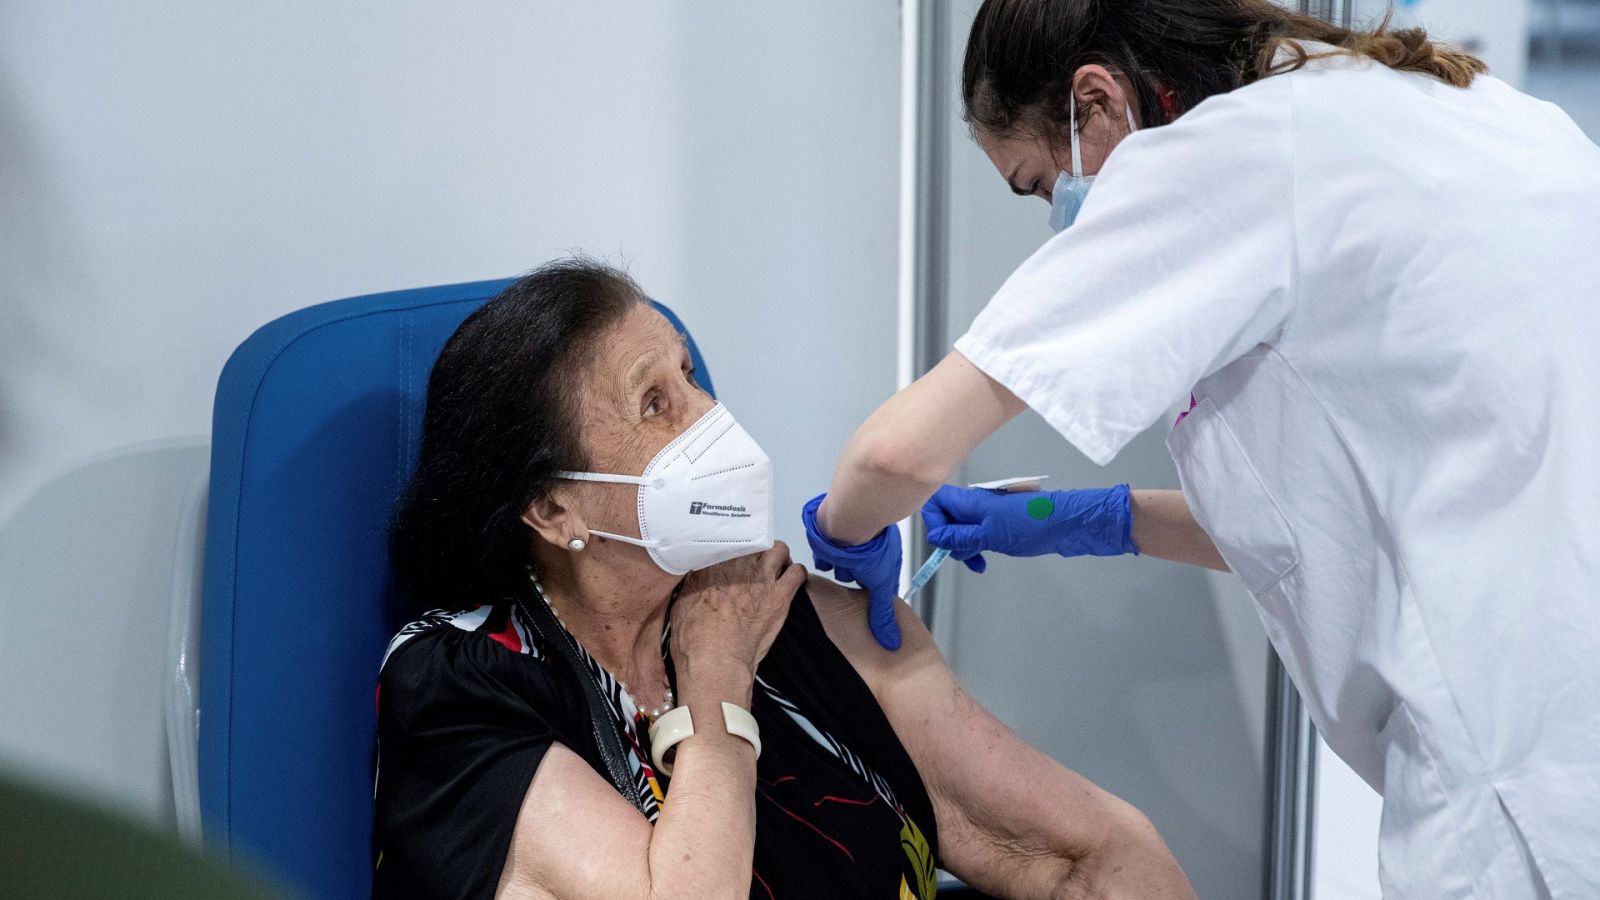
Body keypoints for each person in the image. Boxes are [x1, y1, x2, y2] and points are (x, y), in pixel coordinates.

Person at [802, 1, 1600, 896]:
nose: (1054, 217)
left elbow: (893, 458)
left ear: (1096, 103)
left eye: (1037, 185)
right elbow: (1363, 517)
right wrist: (1100, 522)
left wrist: (846, 543)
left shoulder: (1228, 159)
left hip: (1517, 774)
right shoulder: (1454, 109)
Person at [371, 259, 1196, 900]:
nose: (709, 417)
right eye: (655, 403)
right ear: (553, 510)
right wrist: (718, 683)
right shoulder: (463, 688)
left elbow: (1089, 852)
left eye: (689, 374)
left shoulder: (791, 611)